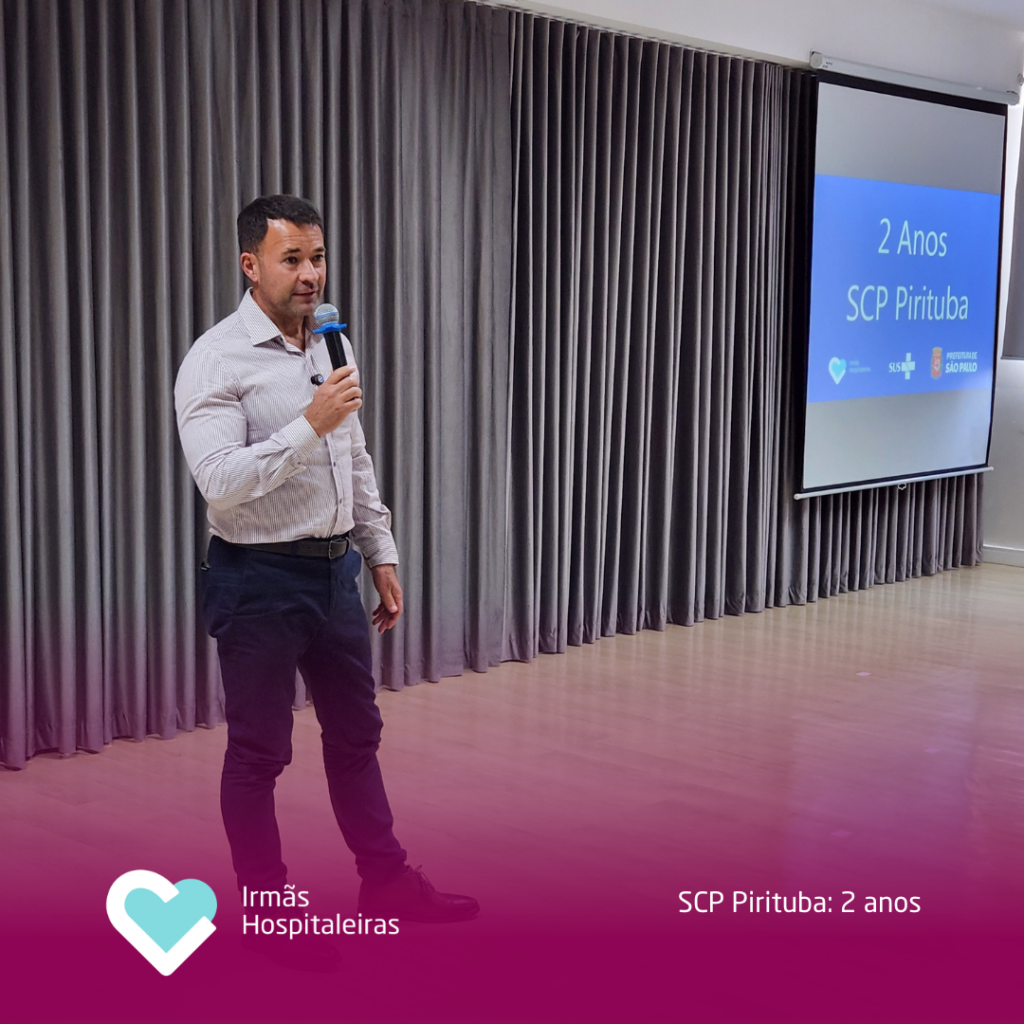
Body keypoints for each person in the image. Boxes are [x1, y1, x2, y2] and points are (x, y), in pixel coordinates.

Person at [174, 194, 478, 970]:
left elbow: (354, 454)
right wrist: (308, 423)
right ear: (251, 265)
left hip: (335, 574)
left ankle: (386, 883)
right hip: (257, 580)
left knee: (356, 735)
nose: (311, 274)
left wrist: (380, 551)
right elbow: (220, 484)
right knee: (259, 754)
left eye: (317, 257)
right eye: (293, 260)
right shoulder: (215, 361)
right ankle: (269, 914)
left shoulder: (328, 342)